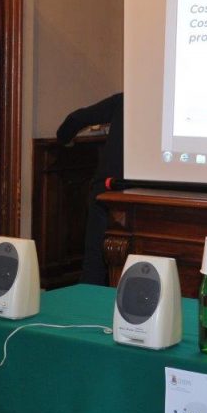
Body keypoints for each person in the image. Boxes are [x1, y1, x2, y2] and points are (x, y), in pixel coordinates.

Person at [56, 92, 123, 286]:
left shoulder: (125, 100)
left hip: (106, 188)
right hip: (138, 193)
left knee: (94, 262)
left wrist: (64, 139)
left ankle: (88, 301)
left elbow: (77, 118)